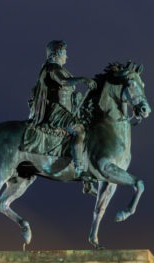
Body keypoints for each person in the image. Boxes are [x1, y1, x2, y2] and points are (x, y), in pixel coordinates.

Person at [28, 40, 96, 178]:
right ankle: (79, 168)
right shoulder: (52, 68)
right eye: (65, 53)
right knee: (79, 130)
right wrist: (83, 79)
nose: (67, 56)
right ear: (57, 53)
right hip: (56, 111)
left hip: (65, 110)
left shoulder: (58, 69)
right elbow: (64, 82)